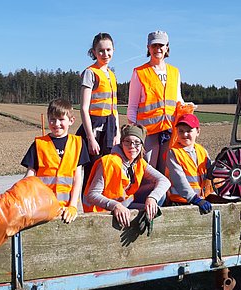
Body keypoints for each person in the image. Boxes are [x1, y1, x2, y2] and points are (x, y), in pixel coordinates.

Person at [83, 124, 170, 228]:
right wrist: (115, 205)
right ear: (121, 143)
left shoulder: (139, 162)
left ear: (142, 145)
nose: (132, 146)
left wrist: (152, 198)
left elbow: (164, 181)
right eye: (127, 141)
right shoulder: (109, 162)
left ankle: (142, 225)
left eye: (137, 142)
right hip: (103, 209)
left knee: (159, 196)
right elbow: (92, 195)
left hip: (125, 204)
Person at [21, 99, 90, 223]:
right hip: (42, 209)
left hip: (66, 211)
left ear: (71, 121)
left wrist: (73, 206)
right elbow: (28, 178)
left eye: (61, 119)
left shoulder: (78, 144)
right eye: (52, 119)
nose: (56, 124)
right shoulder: (39, 144)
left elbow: (77, 178)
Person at [127, 30, 184, 174]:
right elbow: (132, 106)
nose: (158, 49)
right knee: (147, 171)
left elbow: (178, 99)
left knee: (167, 169)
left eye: (161, 45)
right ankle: (143, 196)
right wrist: (135, 131)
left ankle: (165, 197)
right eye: (154, 46)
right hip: (148, 132)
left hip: (169, 129)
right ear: (148, 47)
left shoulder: (175, 72)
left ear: (167, 47)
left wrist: (186, 107)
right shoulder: (140, 72)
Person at [77, 32, 120, 190]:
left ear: (113, 50)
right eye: (101, 50)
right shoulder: (90, 73)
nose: (105, 54)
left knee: (106, 168)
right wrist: (90, 138)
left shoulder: (112, 75)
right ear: (94, 52)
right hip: (94, 126)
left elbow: (114, 107)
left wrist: (117, 133)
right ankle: (88, 205)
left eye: (108, 50)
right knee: (92, 170)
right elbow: (83, 107)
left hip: (109, 126)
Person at [166, 113, 213, 214]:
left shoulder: (202, 151)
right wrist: (194, 198)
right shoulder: (173, 152)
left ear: (198, 132)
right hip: (180, 202)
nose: (184, 134)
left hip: (200, 201)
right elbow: (178, 179)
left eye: (189, 131)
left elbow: (211, 173)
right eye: (181, 131)